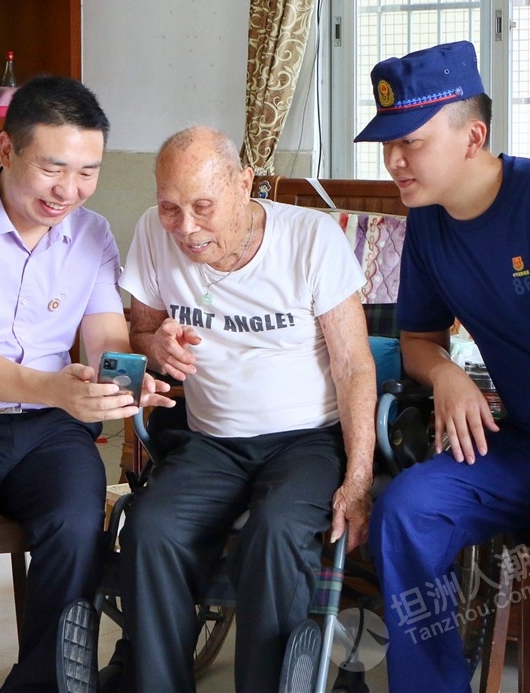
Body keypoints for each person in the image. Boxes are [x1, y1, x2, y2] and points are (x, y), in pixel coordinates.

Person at [0, 75, 173, 692]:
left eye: (88, 172)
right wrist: (55, 389)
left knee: (78, 534)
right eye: (52, 168)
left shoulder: (92, 233)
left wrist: (132, 380)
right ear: (7, 150)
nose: (69, 190)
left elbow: (107, 341)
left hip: (49, 431)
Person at [116, 126, 377, 692]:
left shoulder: (310, 239)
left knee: (276, 531)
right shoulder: (153, 233)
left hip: (307, 440)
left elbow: (354, 366)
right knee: (150, 531)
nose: (185, 228)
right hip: (209, 440)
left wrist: (358, 481)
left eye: (203, 207)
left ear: (243, 184)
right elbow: (140, 331)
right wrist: (155, 345)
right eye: (170, 208)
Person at [356, 41, 530, 692]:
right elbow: (418, 338)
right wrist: (446, 374)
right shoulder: (428, 223)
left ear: (473, 137)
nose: (394, 160)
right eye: (388, 143)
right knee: (408, 510)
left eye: (412, 142)